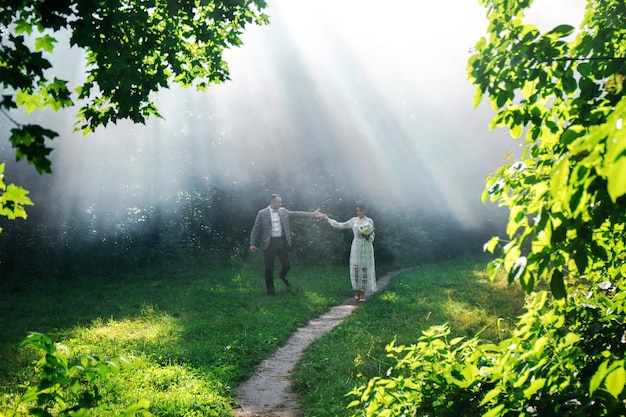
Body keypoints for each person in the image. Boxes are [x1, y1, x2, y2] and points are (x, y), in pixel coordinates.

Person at [250, 194, 324, 296]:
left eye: (281, 202)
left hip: (281, 242)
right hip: (269, 243)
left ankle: (282, 276)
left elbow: (297, 214)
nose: (281, 204)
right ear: (272, 202)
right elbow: (256, 229)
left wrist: (312, 215)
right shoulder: (262, 213)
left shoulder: (283, 211)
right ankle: (271, 292)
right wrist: (252, 244)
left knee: (287, 265)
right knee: (268, 268)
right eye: (278, 202)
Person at [323, 202, 376, 302]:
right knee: (356, 268)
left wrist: (368, 236)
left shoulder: (369, 221)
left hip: (366, 246)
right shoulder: (354, 220)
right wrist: (328, 219)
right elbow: (341, 225)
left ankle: (363, 293)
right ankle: (357, 291)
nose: (358, 212)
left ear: (364, 211)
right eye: (357, 210)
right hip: (356, 245)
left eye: (360, 210)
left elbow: (373, 236)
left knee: (364, 268)